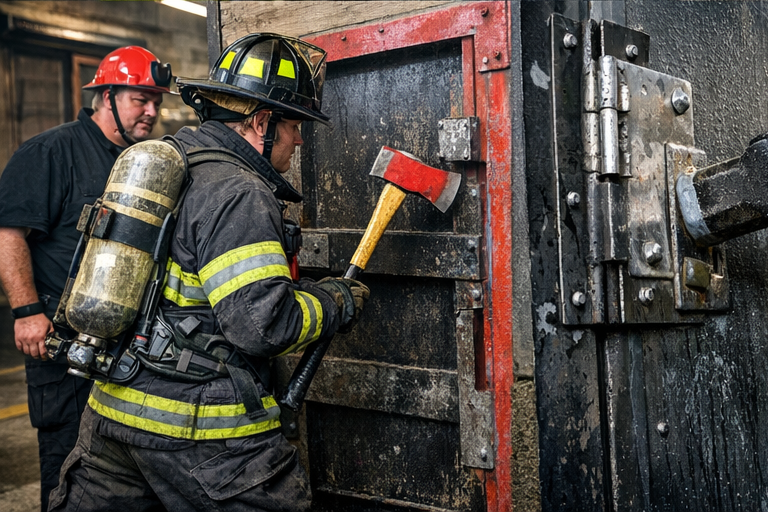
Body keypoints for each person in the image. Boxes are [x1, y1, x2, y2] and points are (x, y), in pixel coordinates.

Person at [48, 33, 369, 512]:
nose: (299, 139)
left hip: (111, 419)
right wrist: (335, 301)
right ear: (263, 121)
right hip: (201, 437)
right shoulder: (239, 193)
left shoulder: (173, 160)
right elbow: (264, 326)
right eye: (296, 125)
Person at [0, 46, 172, 511]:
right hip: (59, 346)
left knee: (122, 481)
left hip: (125, 351)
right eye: (141, 99)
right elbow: (9, 234)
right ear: (106, 96)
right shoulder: (50, 151)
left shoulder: (140, 165)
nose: (152, 111)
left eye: (157, 100)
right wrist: (27, 313)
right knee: (67, 476)